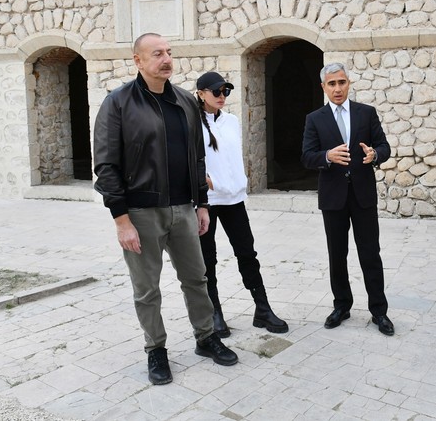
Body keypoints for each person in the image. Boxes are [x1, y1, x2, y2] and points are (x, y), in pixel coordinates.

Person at [93, 33, 238, 386]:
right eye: (157, 53)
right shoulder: (118, 103)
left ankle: (206, 338)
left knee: (197, 279)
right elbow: (106, 165)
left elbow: (197, 155)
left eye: (169, 52)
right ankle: (155, 349)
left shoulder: (186, 102)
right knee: (147, 289)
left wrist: (201, 203)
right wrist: (121, 219)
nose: (166, 59)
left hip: (184, 209)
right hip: (141, 213)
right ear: (138, 61)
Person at [301, 62, 395, 336]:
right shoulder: (314, 119)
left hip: (363, 195)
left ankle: (379, 311)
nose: (337, 88)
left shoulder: (366, 113)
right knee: (337, 255)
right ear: (324, 87)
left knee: (370, 254)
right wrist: (327, 156)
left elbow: (384, 146)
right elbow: (306, 156)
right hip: (333, 198)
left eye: (341, 82)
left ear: (348, 83)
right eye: (332, 84)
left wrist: (375, 155)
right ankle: (342, 305)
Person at [195, 71, 289, 337]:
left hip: (234, 198)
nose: (222, 96)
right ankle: (215, 313)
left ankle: (262, 308)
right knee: (207, 260)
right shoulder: (191, 122)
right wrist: (206, 181)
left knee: (247, 253)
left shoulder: (232, 121)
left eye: (225, 91)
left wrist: (237, 181)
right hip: (207, 201)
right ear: (201, 93)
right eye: (216, 92)